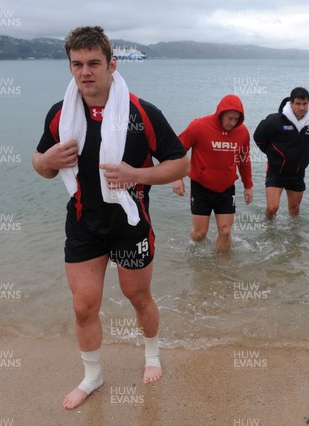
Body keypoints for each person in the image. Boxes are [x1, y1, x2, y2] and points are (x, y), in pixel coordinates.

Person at [32, 26, 189, 410]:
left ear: (111, 65)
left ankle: (151, 354)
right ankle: (92, 376)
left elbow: (180, 164)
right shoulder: (61, 114)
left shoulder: (141, 112)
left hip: (130, 223)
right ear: (71, 67)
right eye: (77, 64)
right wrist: (44, 162)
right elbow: (41, 164)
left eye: (94, 63)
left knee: (138, 297)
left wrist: (137, 174)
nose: (85, 72)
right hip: (84, 222)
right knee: (84, 305)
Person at [172, 94, 253, 252]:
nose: (233, 123)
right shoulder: (199, 126)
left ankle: (222, 267)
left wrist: (248, 185)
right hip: (201, 187)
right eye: (230, 118)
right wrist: (176, 177)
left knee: (225, 230)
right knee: (200, 234)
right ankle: (195, 251)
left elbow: (244, 160)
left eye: (236, 119)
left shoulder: (242, 132)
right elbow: (177, 149)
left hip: (226, 188)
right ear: (221, 113)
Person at [253, 87, 309, 220]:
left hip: (297, 172)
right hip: (276, 170)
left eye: (304, 104)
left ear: (308, 103)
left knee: (294, 209)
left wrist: (302, 151)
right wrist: (272, 153)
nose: (301, 108)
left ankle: (294, 237)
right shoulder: (276, 120)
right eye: (298, 103)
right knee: (272, 208)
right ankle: (269, 228)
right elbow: (259, 137)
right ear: (291, 103)